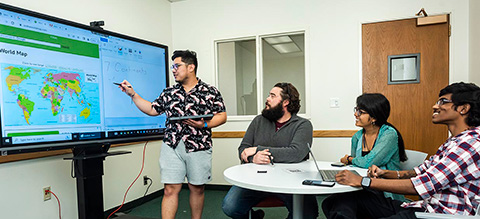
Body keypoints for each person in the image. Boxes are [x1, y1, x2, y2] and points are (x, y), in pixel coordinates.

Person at [322, 82, 480, 219]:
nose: (435, 106)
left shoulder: (469, 144)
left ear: (463, 108)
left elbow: (423, 184)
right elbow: (421, 171)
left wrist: (363, 181)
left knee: (351, 201)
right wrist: (386, 174)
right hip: (423, 207)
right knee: (337, 201)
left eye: (442, 102)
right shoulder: (454, 142)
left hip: (438, 214)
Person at [117, 50, 227, 219]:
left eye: (177, 66)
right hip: (172, 145)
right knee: (170, 189)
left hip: (199, 145)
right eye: (172, 66)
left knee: (197, 188)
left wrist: (204, 124)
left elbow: (221, 116)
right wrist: (133, 94)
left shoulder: (210, 91)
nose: (173, 69)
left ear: (191, 67)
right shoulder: (169, 93)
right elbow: (153, 110)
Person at [222, 82, 318, 219]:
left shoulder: (303, 125)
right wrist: (252, 158)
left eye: (272, 96)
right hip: (256, 179)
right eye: (269, 95)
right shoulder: (258, 121)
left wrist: (257, 149)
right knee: (230, 207)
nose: (267, 98)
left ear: (286, 102)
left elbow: (296, 153)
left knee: (308, 213)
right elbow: (243, 149)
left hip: (290, 180)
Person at [339, 93, 407, 200]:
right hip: (363, 186)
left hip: (385, 191)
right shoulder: (357, 137)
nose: (355, 114)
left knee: (342, 205)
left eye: (360, 112)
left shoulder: (389, 134)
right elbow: (357, 165)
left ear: (374, 117)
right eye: (356, 110)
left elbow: (368, 162)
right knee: (333, 203)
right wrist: (352, 161)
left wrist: (349, 159)